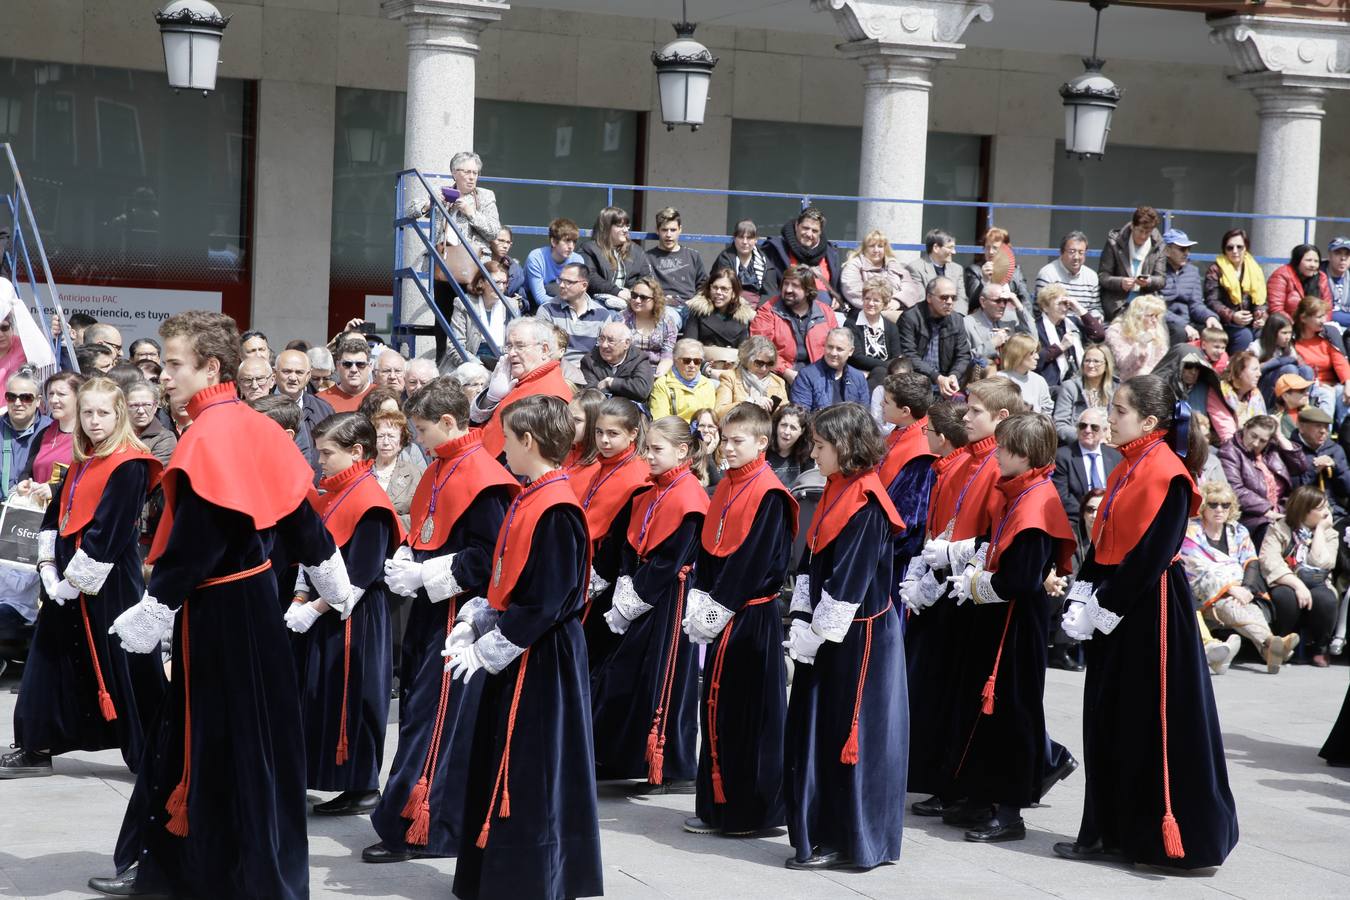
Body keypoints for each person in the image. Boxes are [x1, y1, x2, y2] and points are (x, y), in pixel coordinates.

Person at [89, 311, 356, 900]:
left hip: (219, 615)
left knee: (212, 739)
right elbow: (298, 512)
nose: (164, 376)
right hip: (253, 601)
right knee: (249, 739)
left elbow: (202, 532)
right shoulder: (250, 424)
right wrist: (327, 568)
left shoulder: (209, 432)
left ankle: (206, 870)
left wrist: (159, 601)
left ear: (211, 366)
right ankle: (228, 866)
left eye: (175, 364)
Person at [1054, 373, 1238, 869]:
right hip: (1117, 602)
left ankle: (1159, 835)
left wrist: (1105, 605)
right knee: (1105, 716)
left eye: (1118, 410)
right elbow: (1104, 541)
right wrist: (1082, 595)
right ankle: (1104, 828)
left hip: (1149, 608)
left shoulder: (1168, 472)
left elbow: (1153, 553)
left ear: (1149, 420)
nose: (1110, 418)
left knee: (1148, 721)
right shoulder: (1126, 466)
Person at [441, 394, 603, 900]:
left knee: (532, 766)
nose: (502, 449)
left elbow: (550, 598)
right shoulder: (532, 495)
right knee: (502, 757)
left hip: (543, 656)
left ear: (528, 441)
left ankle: (529, 881)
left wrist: (494, 643)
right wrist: (481, 619)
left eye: (507, 439)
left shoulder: (556, 507)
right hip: (524, 647)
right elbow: (512, 580)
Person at [366, 379, 515, 863]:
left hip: (459, 615)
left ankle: (418, 824)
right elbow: (428, 527)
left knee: (434, 718)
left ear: (449, 422)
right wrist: (408, 555)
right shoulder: (441, 467)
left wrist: (427, 571)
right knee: (419, 713)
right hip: (432, 607)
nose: (418, 437)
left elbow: (489, 555)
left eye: (423, 428)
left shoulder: (483, 477)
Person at [0, 378, 165, 779]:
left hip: (109, 585)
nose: (93, 421)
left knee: (127, 669)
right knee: (48, 661)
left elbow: (107, 534)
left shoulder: (130, 464)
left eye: (102, 413)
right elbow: (56, 514)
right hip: (65, 583)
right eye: (87, 412)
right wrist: (49, 570)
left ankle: (159, 755)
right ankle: (37, 744)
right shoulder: (81, 459)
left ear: (119, 414)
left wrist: (72, 584)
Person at [782, 402, 906, 869]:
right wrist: (801, 616)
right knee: (820, 730)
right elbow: (815, 560)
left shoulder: (866, 501)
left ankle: (850, 839)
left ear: (846, 447)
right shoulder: (839, 488)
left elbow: (851, 578)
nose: (813, 453)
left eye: (820, 445)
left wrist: (816, 631)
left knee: (848, 735)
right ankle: (823, 830)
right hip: (832, 633)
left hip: (858, 637)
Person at [945, 412, 1076, 843]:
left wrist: (976, 583)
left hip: (1018, 624)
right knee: (990, 710)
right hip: (1001, 617)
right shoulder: (1020, 490)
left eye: (1003, 448)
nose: (996, 453)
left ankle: (1010, 808)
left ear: (1023, 454)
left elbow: (1020, 579)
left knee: (1013, 711)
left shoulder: (1037, 502)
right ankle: (984, 796)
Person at [905, 377, 1026, 821]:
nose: (966, 417)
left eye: (975, 411)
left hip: (973, 592)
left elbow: (993, 533)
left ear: (1001, 418)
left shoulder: (996, 463)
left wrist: (952, 559)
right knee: (947, 692)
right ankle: (949, 781)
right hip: (955, 585)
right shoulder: (973, 461)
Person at [680, 402, 796, 837]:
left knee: (748, 716)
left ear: (762, 443)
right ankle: (717, 806)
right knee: (720, 711)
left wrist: (717, 607)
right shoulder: (728, 484)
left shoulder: (768, 493)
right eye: (724, 440)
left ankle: (750, 811)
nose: (726, 448)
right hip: (725, 613)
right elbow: (712, 547)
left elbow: (755, 563)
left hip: (750, 618)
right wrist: (702, 596)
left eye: (736, 441)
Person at [287, 413, 403, 815]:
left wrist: (314, 608)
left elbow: (361, 573)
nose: (320, 461)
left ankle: (361, 785)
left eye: (327, 453)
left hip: (356, 618)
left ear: (356, 452)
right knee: (324, 695)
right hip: (326, 614)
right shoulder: (337, 491)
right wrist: (301, 600)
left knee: (353, 698)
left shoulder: (369, 502)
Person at [590, 415, 709, 791]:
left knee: (664, 681)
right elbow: (629, 542)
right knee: (625, 675)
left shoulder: (690, 496)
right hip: (640, 590)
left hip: (669, 598)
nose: (649, 457)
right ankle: (623, 757)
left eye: (657, 450)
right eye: (647, 449)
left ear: (682, 451)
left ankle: (669, 765)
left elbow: (671, 559)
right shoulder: (648, 491)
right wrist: (625, 577)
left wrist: (632, 597)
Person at [1181, 480, 1299, 674]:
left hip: (1238, 593)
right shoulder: (1191, 531)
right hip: (1203, 598)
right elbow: (1199, 569)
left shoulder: (1238, 530)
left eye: (1225, 505)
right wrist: (1229, 588)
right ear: (1204, 506)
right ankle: (1270, 642)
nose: (1219, 509)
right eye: (1213, 504)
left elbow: (1251, 562)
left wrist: (1246, 588)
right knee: (1230, 604)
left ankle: (1268, 647)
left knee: (1242, 605)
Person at [576, 398, 651, 676]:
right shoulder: (600, 464)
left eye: (612, 434)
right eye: (599, 432)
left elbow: (622, 538)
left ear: (632, 433)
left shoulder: (638, 474)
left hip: (606, 575)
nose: (604, 440)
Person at [1258, 485, 1339, 667]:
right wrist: (1297, 585)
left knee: (1326, 600)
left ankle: (1320, 647)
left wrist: (1318, 531)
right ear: (1304, 510)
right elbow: (1269, 560)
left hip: (1317, 581)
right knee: (1285, 597)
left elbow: (1323, 563)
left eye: (1327, 507)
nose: (1326, 512)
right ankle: (1284, 644)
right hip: (1286, 578)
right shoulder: (1279, 528)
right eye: (1320, 508)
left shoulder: (1329, 533)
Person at [469, 317, 573, 458]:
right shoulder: (523, 379)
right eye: (509, 346)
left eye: (520, 346)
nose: (511, 353)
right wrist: (491, 399)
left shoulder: (551, 393)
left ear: (544, 350)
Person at [877, 373, 939, 588]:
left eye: (886, 401)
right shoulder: (901, 429)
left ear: (905, 411)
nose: (881, 405)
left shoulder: (922, 453)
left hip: (896, 557)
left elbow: (913, 517)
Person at [1217, 414, 1307, 546]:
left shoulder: (1271, 449)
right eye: (1253, 436)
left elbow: (1300, 466)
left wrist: (1280, 436)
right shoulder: (1230, 451)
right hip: (1251, 516)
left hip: (1282, 509)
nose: (1256, 443)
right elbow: (1235, 489)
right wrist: (1267, 511)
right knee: (1270, 532)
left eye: (1263, 440)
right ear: (1246, 428)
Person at [751, 264, 839, 387]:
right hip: (780, 376)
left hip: (820, 373)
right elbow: (760, 348)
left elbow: (837, 345)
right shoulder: (768, 311)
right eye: (786, 284)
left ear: (808, 290)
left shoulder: (825, 312)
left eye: (795, 286)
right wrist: (785, 372)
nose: (788, 290)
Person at [14, 372, 84, 505]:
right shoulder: (45, 433)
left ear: (79, 397)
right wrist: (25, 482)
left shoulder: (88, 438)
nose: (53, 400)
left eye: (61, 394)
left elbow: (88, 480)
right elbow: (28, 470)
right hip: (38, 515)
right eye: (51, 394)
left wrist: (54, 489)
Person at [898, 276, 971, 398]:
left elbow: (963, 354)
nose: (949, 302)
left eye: (953, 298)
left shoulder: (957, 320)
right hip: (915, 380)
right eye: (944, 297)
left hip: (946, 380)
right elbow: (908, 354)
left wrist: (954, 375)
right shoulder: (910, 317)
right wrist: (936, 377)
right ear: (929, 298)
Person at [534, 261, 617, 368]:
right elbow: (542, 349)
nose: (562, 285)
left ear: (584, 285)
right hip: (556, 372)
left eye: (568, 282)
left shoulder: (602, 315)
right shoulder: (547, 309)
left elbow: (603, 353)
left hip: (590, 374)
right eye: (560, 280)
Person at [1053, 407, 1122, 530]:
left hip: (1110, 521)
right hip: (1077, 523)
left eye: (1094, 427)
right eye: (1083, 426)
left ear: (1104, 431)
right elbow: (1062, 496)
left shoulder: (1115, 457)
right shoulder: (1063, 456)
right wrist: (1089, 513)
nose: (1087, 430)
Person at [1097, 206, 1167, 322]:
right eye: (1140, 231)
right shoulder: (1114, 242)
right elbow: (1103, 276)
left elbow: (1161, 279)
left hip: (1147, 303)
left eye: (1148, 232)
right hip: (1118, 303)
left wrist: (1149, 281)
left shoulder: (1159, 245)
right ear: (1132, 226)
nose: (1143, 236)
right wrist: (1120, 282)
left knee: (1169, 329)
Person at [1204, 228, 1267, 352]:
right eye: (1230, 247)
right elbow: (1212, 301)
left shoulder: (1255, 269)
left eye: (1239, 247)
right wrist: (1232, 316)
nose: (1235, 251)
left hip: (1250, 322)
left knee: (1267, 333)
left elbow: (1261, 300)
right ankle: (1237, 369)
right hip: (1225, 323)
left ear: (1246, 248)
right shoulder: (1215, 269)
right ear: (1224, 249)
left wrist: (1260, 315)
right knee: (1244, 336)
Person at [579, 205, 652, 310]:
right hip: (600, 303)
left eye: (627, 226)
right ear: (606, 228)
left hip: (633, 301)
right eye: (620, 226)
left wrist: (636, 295)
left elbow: (647, 278)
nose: (626, 230)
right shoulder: (590, 249)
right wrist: (617, 292)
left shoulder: (636, 251)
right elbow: (590, 277)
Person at [762, 207, 843, 302]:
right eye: (805, 228)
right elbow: (769, 287)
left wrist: (837, 298)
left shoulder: (831, 253)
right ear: (796, 225)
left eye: (814, 231)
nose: (809, 234)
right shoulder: (775, 249)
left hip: (825, 311)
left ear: (820, 232)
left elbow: (837, 286)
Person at [964, 271, 1032, 377]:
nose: (1002, 305)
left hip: (1010, 379)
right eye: (998, 301)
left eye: (1005, 301)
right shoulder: (968, 323)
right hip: (981, 381)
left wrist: (1018, 305)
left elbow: (1031, 339)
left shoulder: (1011, 319)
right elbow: (965, 359)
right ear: (983, 302)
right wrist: (993, 344)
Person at [1160, 229, 1221, 343]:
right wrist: (1183, 325)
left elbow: (1196, 305)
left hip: (1188, 321)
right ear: (1167, 251)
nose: (1187, 253)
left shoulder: (1192, 272)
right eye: (1182, 249)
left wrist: (1210, 317)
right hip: (1165, 322)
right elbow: (1157, 308)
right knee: (1179, 332)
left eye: (1188, 249)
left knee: (1213, 334)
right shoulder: (1157, 272)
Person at [1034, 231, 1105, 330]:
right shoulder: (1048, 274)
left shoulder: (1092, 276)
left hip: (1084, 327)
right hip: (1056, 328)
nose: (1076, 257)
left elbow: (1095, 307)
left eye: (1081, 252)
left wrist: (1096, 318)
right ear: (1062, 252)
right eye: (1072, 252)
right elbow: (1041, 309)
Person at [841, 228, 922, 315]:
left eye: (880, 246)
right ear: (864, 248)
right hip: (865, 313)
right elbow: (852, 290)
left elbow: (910, 289)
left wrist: (897, 301)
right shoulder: (854, 265)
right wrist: (881, 304)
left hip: (895, 311)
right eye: (872, 246)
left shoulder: (895, 265)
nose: (876, 250)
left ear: (885, 249)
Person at [788, 327, 869, 412]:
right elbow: (801, 415)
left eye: (839, 349)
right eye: (830, 347)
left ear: (851, 351)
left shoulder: (858, 378)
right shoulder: (806, 376)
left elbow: (864, 415)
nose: (833, 353)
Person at [0, 368, 52, 499]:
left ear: (38, 400)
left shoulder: (53, 431)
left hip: (35, 512)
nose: (17, 403)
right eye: (11, 397)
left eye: (26, 398)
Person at [1052, 344, 1116, 444]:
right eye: (1087, 361)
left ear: (1107, 365)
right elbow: (1060, 424)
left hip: (1108, 444)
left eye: (1096, 361)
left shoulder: (1115, 388)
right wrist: (1086, 437)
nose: (1090, 365)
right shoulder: (1070, 387)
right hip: (1078, 445)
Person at [646, 207, 707, 311]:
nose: (669, 235)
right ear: (657, 230)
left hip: (690, 307)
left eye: (673, 230)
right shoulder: (647, 257)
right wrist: (660, 300)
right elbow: (642, 287)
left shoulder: (693, 256)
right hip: (661, 307)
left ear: (680, 229)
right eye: (664, 230)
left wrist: (693, 302)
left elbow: (704, 286)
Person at [846, 276, 904, 386]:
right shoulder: (851, 324)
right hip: (859, 372)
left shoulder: (891, 327)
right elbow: (856, 357)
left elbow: (895, 357)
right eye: (867, 298)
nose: (870, 303)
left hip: (886, 374)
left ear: (885, 304)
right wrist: (887, 366)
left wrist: (887, 368)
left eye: (876, 300)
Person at [1032, 283, 1089, 392]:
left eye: (1066, 304)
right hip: (1053, 385)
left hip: (1080, 380)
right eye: (1060, 304)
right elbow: (1035, 360)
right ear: (1045, 307)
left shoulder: (1073, 322)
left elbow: (1098, 335)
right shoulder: (1036, 328)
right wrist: (1060, 347)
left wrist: (1078, 308)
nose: (1064, 308)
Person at [714, 335, 787, 419]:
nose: (764, 369)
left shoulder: (778, 382)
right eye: (759, 363)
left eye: (769, 364)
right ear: (746, 359)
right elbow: (719, 412)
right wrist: (751, 402)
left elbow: (786, 416)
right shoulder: (730, 377)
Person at [682, 267, 755, 353]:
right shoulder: (697, 312)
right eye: (715, 287)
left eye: (724, 289)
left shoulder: (742, 318)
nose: (718, 292)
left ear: (734, 293)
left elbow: (743, 354)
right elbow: (689, 347)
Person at [581, 321, 654, 404]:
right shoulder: (589, 360)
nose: (604, 345)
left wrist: (611, 382)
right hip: (600, 411)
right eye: (602, 339)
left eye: (611, 341)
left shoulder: (639, 359)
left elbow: (642, 391)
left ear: (626, 343)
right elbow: (591, 394)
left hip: (630, 412)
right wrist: (626, 389)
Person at [370, 408, 420, 530]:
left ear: (401, 442)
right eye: (380, 436)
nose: (385, 442)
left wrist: (388, 523)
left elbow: (420, 516)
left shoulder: (415, 474)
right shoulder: (361, 471)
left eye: (391, 436)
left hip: (400, 541)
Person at [620, 275, 680, 377]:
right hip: (627, 371)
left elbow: (667, 355)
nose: (637, 300)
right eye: (634, 295)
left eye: (643, 297)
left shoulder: (667, 322)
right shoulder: (622, 319)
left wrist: (658, 374)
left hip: (656, 370)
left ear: (655, 299)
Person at [524, 217, 585, 312]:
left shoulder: (577, 260)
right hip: (535, 305)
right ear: (553, 242)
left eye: (574, 242)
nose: (571, 246)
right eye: (567, 241)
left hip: (566, 304)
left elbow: (579, 293)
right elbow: (539, 297)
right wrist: (566, 306)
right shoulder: (536, 257)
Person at [964, 226, 1030, 314]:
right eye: (987, 247)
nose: (990, 252)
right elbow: (972, 304)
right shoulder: (975, 270)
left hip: (1011, 320)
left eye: (995, 248)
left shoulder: (1015, 272)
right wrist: (984, 280)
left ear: (1005, 250)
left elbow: (1026, 302)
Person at [1207, 350, 1268, 445]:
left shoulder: (1255, 394)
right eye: (1254, 369)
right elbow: (1227, 433)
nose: (1259, 374)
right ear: (1239, 372)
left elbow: (1264, 427)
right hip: (1227, 446)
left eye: (1259, 370)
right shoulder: (1220, 392)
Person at [649, 338, 716, 422]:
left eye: (697, 361)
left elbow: (712, 419)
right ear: (675, 361)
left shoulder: (708, 384)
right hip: (676, 433)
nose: (692, 365)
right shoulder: (662, 384)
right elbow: (660, 422)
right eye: (686, 360)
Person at [1104, 293, 1169, 380]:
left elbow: (1160, 363)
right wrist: (1142, 342)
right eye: (1150, 316)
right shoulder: (1116, 331)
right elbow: (1125, 366)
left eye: (1157, 316)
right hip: (1123, 381)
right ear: (1137, 316)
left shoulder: (1157, 330)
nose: (1154, 320)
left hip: (1151, 380)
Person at [906, 228, 968, 314]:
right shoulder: (915, 268)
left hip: (953, 319)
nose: (954, 252)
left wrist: (956, 319)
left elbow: (961, 299)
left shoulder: (957, 269)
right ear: (936, 248)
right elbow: (921, 300)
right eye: (950, 248)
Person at [1267, 243, 1333, 321]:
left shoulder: (1321, 277)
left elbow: (1327, 308)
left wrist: (1321, 324)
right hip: (1288, 326)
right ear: (1297, 261)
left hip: (1315, 325)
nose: (1313, 265)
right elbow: (1276, 309)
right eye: (1308, 260)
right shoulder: (1281, 275)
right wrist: (1298, 327)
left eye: (1316, 261)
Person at [713, 219, 776, 301]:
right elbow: (722, 289)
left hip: (759, 309)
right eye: (741, 237)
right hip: (731, 305)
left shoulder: (765, 262)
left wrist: (758, 311)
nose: (745, 242)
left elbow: (770, 294)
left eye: (749, 238)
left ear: (756, 239)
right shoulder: (724, 258)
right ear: (734, 238)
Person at [994, 333, 1053, 415]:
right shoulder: (1000, 379)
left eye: (1037, 353)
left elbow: (1047, 411)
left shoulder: (1039, 380)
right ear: (1018, 354)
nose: (1037, 357)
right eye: (1032, 353)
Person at [317, 336, 375, 413]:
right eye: (347, 364)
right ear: (337, 366)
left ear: (370, 367)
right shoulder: (320, 402)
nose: (354, 370)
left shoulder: (383, 397)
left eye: (360, 364)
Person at [562, 388, 605, 490]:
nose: (568, 423)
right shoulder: (565, 452)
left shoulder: (599, 468)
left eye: (577, 420)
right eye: (567, 417)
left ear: (594, 423)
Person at [127, 380, 176, 466]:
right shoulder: (116, 432)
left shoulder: (165, 438)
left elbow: (156, 473)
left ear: (155, 406)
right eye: (134, 405)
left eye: (147, 405)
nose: (141, 411)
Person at [766, 403, 814, 490]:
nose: (787, 432)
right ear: (776, 425)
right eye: (783, 425)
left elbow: (807, 487)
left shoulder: (807, 454)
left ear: (802, 431)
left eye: (793, 428)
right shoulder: (764, 451)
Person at [489, 227, 526, 300]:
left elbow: (524, 299)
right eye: (501, 241)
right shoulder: (479, 264)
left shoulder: (515, 270)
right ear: (490, 240)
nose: (505, 246)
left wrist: (520, 303)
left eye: (508, 242)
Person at [1324, 236, 1350, 326]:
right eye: (1338, 253)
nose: (1343, 258)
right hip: (1324, 329)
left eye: (1347, 254)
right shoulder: (1317, 277)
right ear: (1329, 256)